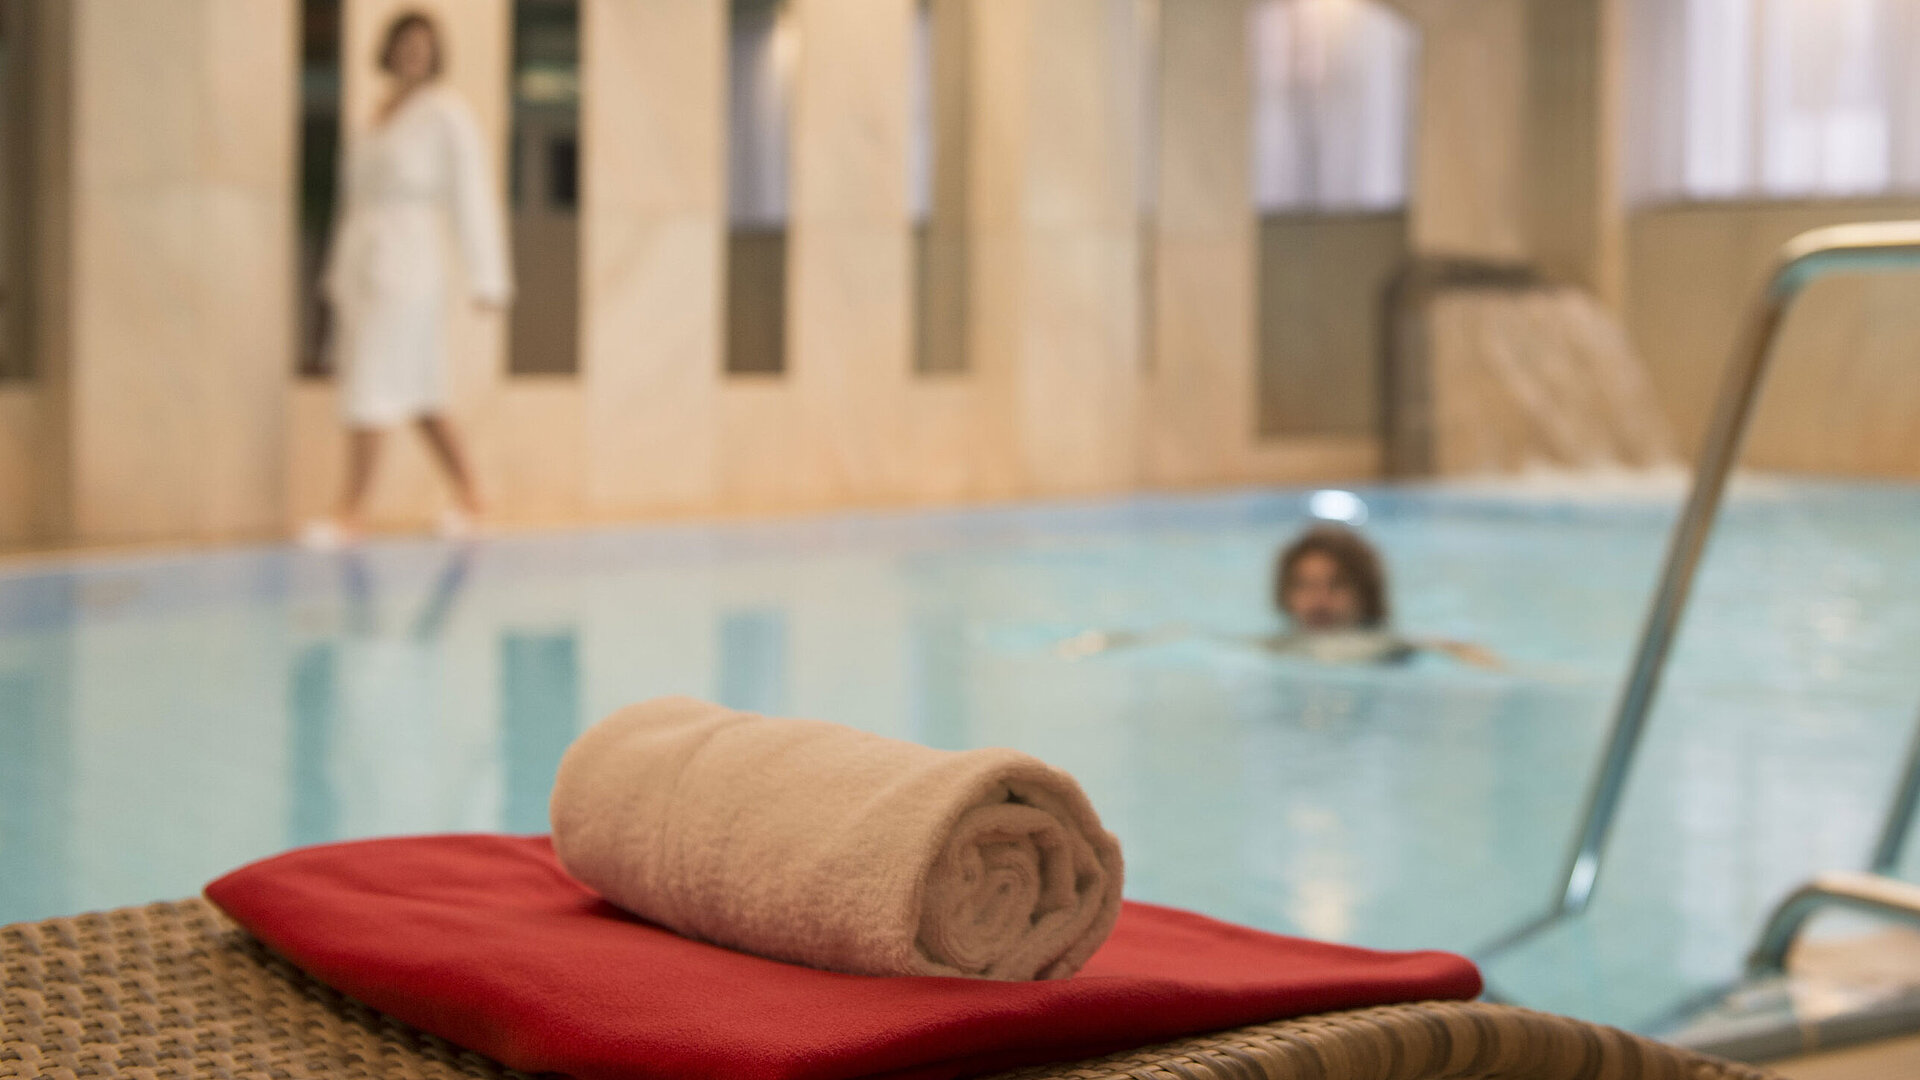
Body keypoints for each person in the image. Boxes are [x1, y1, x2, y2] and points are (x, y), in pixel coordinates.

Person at [303, 12, 511, 548]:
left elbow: (472, 196)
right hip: (364, 262)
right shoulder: (372, 115)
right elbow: (351, 205)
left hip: (410, 265)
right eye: (405, 44)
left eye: (424, 45)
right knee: (421, 391)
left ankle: (351, 510)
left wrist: (488, 275)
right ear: (389, 50)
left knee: (370, 383)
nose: (413, 54)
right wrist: (333, 279)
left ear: (436, 54)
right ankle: (472, 493)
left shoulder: (445, 115)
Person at [1267, 525, 1499, 667]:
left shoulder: (1385, 647)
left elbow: (1456, 648)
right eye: (1304, 586)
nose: (1319, 600)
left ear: (1365, 594)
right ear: (1285, 594)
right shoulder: (1274, 650)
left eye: (1336, 585)